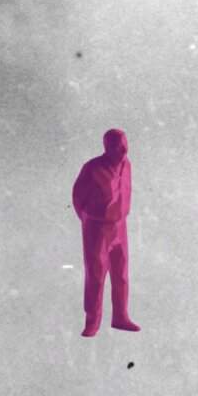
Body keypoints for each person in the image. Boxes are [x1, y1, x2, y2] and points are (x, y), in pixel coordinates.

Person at [72, 129, 140, 337]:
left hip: (120, 226)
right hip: (98, 228)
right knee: (96, 275)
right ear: (107, 147)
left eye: (125, 145)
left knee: (121, 274)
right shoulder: (93, 168)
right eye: (118, 146)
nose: (123, 150)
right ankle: (92, 321)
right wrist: (89, 219)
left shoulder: (127, 165)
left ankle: (121, 317)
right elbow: (77, 197)